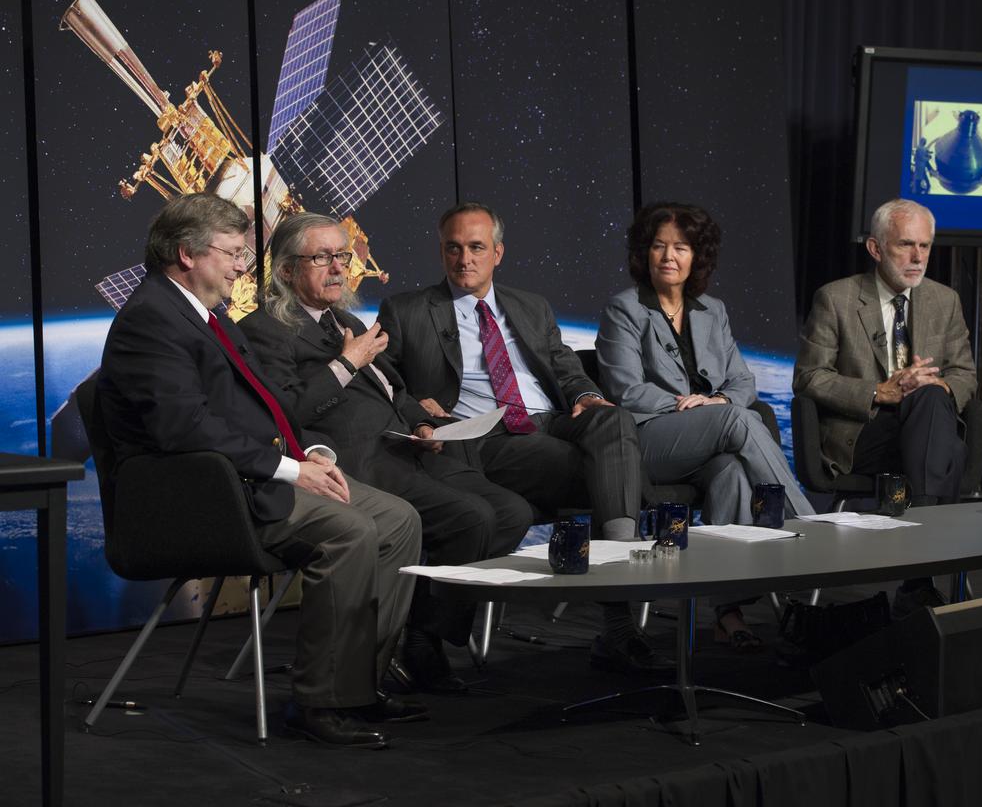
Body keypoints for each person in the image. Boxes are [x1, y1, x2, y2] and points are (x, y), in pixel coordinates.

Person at [97, 193, 425, 749]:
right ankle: (321, 701)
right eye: (232, 254)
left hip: (248, 476)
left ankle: (358, 682)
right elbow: (185, 430)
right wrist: (289, 471)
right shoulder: (150, 321)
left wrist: (306, 455)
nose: (242, 267)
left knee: (398, 521)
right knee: (351, 532)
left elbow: (266, 405)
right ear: (186, 254)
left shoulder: (207, 314)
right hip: (203, 498)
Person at [238, 213, 535, 694]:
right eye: (322, 258)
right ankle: (419, 643)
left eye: (342, 256)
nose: (338, 268)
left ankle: (421, 627)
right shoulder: (268, 328)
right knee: (470, 519)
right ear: (288, 271)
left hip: (406, 445)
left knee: (509, 512)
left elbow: (395, 388)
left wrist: (420, 419)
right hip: (357, 461)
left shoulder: (347, 320)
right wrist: (345, 363)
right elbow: (285, 410)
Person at [376, 201, 670, 674]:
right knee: (616, 475)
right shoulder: (407, 309)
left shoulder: (531, 306)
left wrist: (588, 395)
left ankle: (617, 560)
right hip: (483, 434)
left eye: (475, 248)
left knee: (614, 422)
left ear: (498, 252)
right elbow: (382, 377)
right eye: (452, 248)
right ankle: (621, 612)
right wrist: (415, 408)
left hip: (550, 419)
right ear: (441, 253)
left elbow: (565, 367)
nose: (463, 259)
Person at [595, 202, 815, 648]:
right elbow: (625, 391)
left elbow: (742, 381)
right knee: (737, 419)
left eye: (680, 247)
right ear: (644, 253)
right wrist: (694, 407)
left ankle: (726, 611)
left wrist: (716, 401)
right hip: (647, 440)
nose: (668, 256)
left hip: (706, 441)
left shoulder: (712, 310)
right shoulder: (624, 309)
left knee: (731, 472)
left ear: (697, 257)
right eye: (658, 246)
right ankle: (811, 529)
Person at [793, 197, 976, 616]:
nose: (917, 258)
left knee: (931, 398)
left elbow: (965, 375)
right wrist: (881, 391)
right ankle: (921, 574)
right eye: (905, 245)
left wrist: (935, 387)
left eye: (926, 247)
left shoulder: (944, 301)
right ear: (876, 249)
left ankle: (917, 563)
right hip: (865, 434)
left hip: (925, 425)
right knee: (952, 451)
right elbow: (808, 377)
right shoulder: (836, 299)